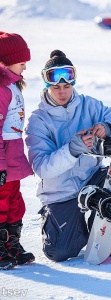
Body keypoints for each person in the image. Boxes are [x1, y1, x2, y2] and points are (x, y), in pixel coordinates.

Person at [25, 50, 111, 262]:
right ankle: (67, 227)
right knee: (60, 252)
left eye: (67, 86)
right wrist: (72, 149)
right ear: (47, 86)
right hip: (60, 192)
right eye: (56, 87)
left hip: (91, 180)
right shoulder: (38, 121)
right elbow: (42, 167)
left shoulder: (89, 105)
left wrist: (108, 126)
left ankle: (104, 233)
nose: (62, 92)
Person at [0, 31, 35, 270]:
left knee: (14, 201)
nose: (25, 65)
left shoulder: (12, 85)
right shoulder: (1, 89)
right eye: (21, 60)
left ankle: (12, 243)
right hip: (3, 159)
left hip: (12, 156)